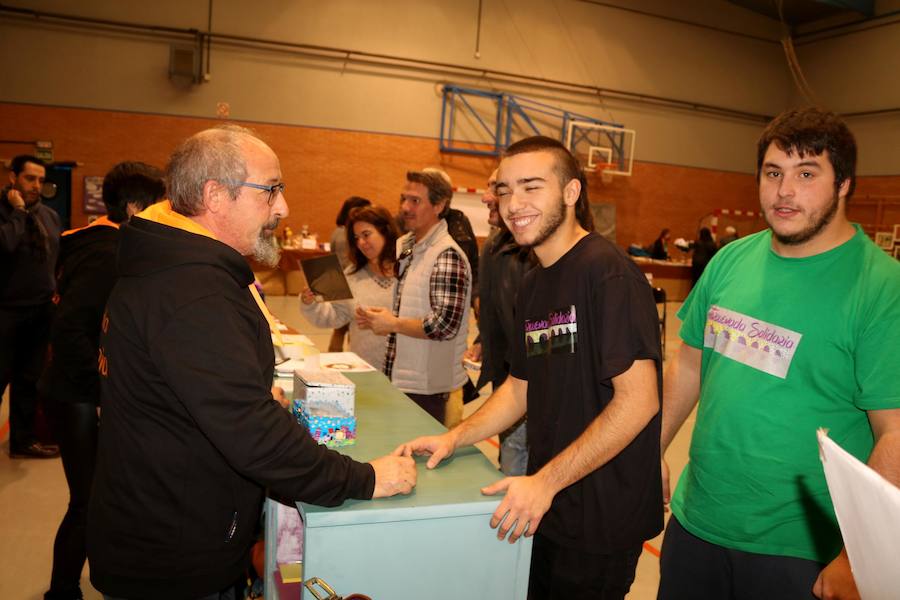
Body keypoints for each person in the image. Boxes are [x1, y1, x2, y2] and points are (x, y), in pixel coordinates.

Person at [87, 125, 416, 599]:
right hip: (175, 556)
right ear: (215, 195)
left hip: (161, 524)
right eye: (271, 191)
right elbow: (252, 434)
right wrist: (363, 478)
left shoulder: (173, 272)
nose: (282, 208)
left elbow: (190, 391)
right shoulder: (193, 291)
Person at [396, 136, 663, 599]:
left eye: (531, 187)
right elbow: (520, 388)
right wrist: (454, 436)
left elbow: (640, 399)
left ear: (571, 193)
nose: (513, 204)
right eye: (505, 190)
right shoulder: (535, 281)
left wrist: (546, 482)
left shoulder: (608, 275)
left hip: (599, 514)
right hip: (548, 500)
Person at [658, 107, 900, 600]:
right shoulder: (730, 260)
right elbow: (687, 365)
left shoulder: (881, 288)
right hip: (697, 522)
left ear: (844, 184)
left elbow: (895, 433)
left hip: (803, 550)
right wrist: (649, 452)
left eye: (806, 174)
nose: (784, 191)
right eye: (773, 173)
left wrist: (858, 556)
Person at [41, 161, 166, 600]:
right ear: (134, 207)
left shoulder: (111, 245)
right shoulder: (103, 254)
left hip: (87, 390)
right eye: (157, 207)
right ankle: (61, 590)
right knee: (88, 500)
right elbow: (70, 330)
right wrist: (97, 395)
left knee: (101, 497)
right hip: (77, 395)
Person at [356, 171, 471, 426]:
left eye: (415, 201)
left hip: (427, 388)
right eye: (403, 199)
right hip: (401, 379)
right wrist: (383, 317)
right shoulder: (407, 245)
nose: (405, 207)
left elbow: (444, 325)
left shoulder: (446, 255)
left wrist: (393, 324)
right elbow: (410, 305)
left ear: (440, 206)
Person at [463, 168, 534, 475]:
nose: (486, 197)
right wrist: (483, 339)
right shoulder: (494, 245)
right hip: (504, 375)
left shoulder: (535, 253)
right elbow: (499, 306)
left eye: (497, 189)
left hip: (527, 382)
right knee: (512, 447)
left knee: (518, 450)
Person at [1, 154, 61, 458]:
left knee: (28, 380)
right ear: (13, 177)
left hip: (40, 311)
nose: (36, 185)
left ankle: (23, 441)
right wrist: (18, 211)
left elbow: (56, 259)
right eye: (29, 178)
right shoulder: (5, 214)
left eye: (40, 180)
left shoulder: (50, 216)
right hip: (5, 311)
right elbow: (6, 244)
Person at [301, 204, 398, 371]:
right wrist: (311, 303)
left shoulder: (408, 271)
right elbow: (336, 315)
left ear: (386, 232)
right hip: (364, 369)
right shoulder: (352, 274)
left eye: (366, 235)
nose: (361, 242)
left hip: (406, 374)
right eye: (356, 237)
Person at [326, 196, 371, 352]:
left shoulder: (336, 232)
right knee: (353, 327)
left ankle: (332, 360)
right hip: (349, 283)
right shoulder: (351, 235)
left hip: (336, 281)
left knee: (338, 330)